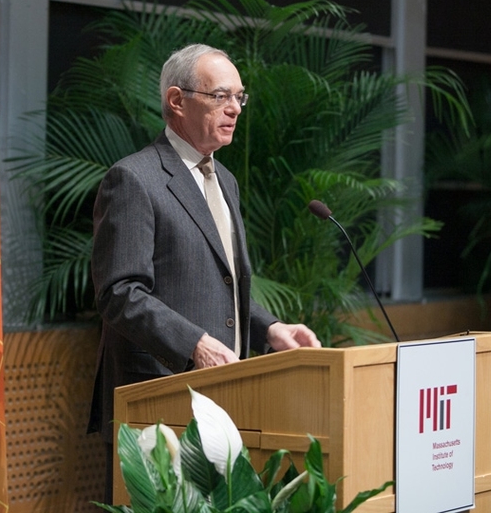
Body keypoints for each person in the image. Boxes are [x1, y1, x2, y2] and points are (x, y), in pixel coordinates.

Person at [87, 43, 321, 500]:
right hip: (158, 401)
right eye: (220, 96)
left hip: (223, 399)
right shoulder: (134, 179)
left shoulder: (225, 180)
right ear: (177, 101)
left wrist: (271, 328)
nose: (234, 107)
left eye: (239, 97)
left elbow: (222, 282)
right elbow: (120, 293)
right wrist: (192, 344)